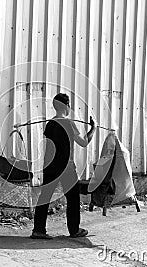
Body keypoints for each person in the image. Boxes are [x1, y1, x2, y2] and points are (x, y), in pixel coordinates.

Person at [30, 93, 97, 239]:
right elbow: (84, 142)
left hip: (49, 167)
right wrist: (93, 129)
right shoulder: (68, 123)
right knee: (73, 198)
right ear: (67, 106)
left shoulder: (50, 124)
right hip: (66, 168)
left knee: (45, 197)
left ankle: (38, 230)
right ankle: (74, 230)